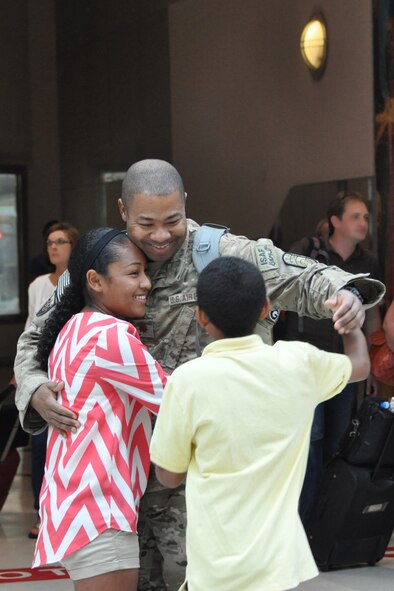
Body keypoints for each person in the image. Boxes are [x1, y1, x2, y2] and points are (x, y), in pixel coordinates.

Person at [14, 160, 385, 590]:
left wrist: (345, 293)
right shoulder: (100, 263)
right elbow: (34, 340)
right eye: (145, 223)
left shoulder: (219, 250)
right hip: (120, 485)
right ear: (122, 211)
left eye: (171, 221)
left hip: (198, 492)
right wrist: (35, 386)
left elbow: (300, 275)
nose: (159, 235)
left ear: (185, 204)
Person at [149, 256, 370, 591]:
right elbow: (360, 365)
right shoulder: (298, 363)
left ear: (201, 316)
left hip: (214, 568)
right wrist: (348, 323)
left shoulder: (187, 381)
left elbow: (169, 475)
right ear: (266, 307)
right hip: (277, 567)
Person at [32, 227, 166, 591]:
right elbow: (175, 400)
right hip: (99, 508)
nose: (146, 284)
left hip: (78, 502)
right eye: (134, 272)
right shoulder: (111, 336)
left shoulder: (74, 328)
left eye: (146, 272)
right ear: (95, 280)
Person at [283, 191, 383, 521]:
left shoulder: (367, 263)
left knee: (338, 441)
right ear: (334, 222)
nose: (363, 223)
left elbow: (371, 316)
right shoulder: (308, 251)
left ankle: (327, 521)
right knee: (310, 440)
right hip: (305, 362)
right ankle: (303, 519)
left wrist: (370, 364)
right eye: (355, 216)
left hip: (345, 366)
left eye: (366, 217)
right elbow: (278, 294)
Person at [27, 221, 80, 539]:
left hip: (73, 368)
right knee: (39, 441)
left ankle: (70, 511)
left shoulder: (82, 282)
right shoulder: (37, 285)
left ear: (73, 247)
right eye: (49, 242)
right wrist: (24, 371)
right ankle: (41, 512)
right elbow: (30, 330)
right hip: (43, 370)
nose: (53, 247)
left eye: (60, 241)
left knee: (70, 436)